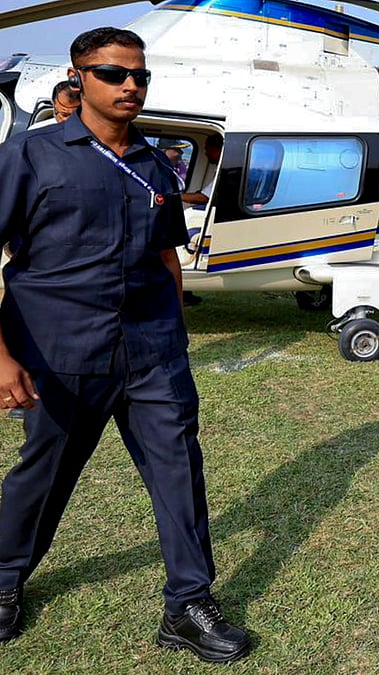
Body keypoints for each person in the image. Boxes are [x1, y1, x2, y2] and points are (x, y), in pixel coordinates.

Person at [0, 27, 250, 661]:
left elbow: (166, 252)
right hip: (61, 352)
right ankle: (3, 584)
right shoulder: (31, 155)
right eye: (113, 73)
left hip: (152, 352)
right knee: (44, 476)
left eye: (139, 75)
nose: (130, 86)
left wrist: (178, 337)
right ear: (79, 76)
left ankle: (188, 606)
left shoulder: (154, 163)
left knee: (179, 474)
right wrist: (1, 356)